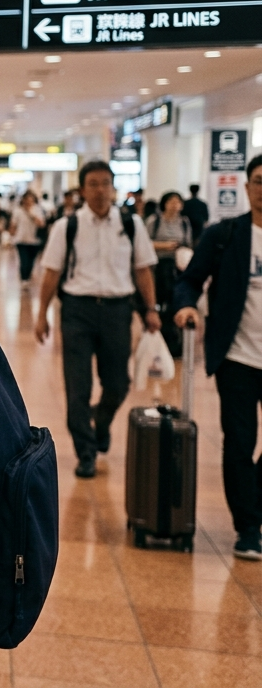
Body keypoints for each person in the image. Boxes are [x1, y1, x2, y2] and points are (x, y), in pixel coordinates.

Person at [36, 161, 160, 479]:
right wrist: (42, 315)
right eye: (93, 184)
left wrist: (151, 309)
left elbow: (143, 269)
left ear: (113, 188)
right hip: (77, 311)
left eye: (106, 183)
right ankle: (86, 452)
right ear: (82, 190)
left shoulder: (131, 224)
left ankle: (101, 422)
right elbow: (51, 273)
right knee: (78, 386)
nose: (100, 190)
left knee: (118, 384)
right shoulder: (67, 226)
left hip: (118, 311)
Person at [174, 155, 262, 560]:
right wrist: (186, 306)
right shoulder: (224, 235)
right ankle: (248, 528)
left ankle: (253, 504)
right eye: (259, 181)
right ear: (247, 187)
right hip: (237, 357)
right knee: (240, 443)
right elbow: (190, 280)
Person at [148, 191, 192, 357]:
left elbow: (188, 243)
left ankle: (175, 341)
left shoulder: (184, 222)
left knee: (175, 302)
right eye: (171, 201)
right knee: (161, 303)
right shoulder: (155, 221)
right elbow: (144, 243)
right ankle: (159, 339)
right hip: (159, 267)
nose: (175, 205)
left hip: (178, 268)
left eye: (178, 202)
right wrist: (164, 246)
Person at [9, 191, 46, 289]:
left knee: (31, 261)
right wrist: (10, 237)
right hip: (21, 240)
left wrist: (31, 214)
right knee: (23, 261)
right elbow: (13, 225)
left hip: (34, 241)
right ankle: (24, 279)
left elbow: (42, 224)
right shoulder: (18, 211)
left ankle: (28, 277)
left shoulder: (37, 210)